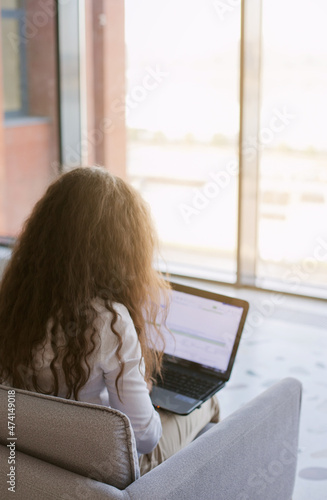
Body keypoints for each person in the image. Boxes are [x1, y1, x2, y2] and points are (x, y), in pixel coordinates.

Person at [0, 166, 219, 475]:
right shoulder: (108, 319)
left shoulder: (14, 297)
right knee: (209, 404)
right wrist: (141, 383)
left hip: (35, 451)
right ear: (121, 249)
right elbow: (145, 438)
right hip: (98, 464)